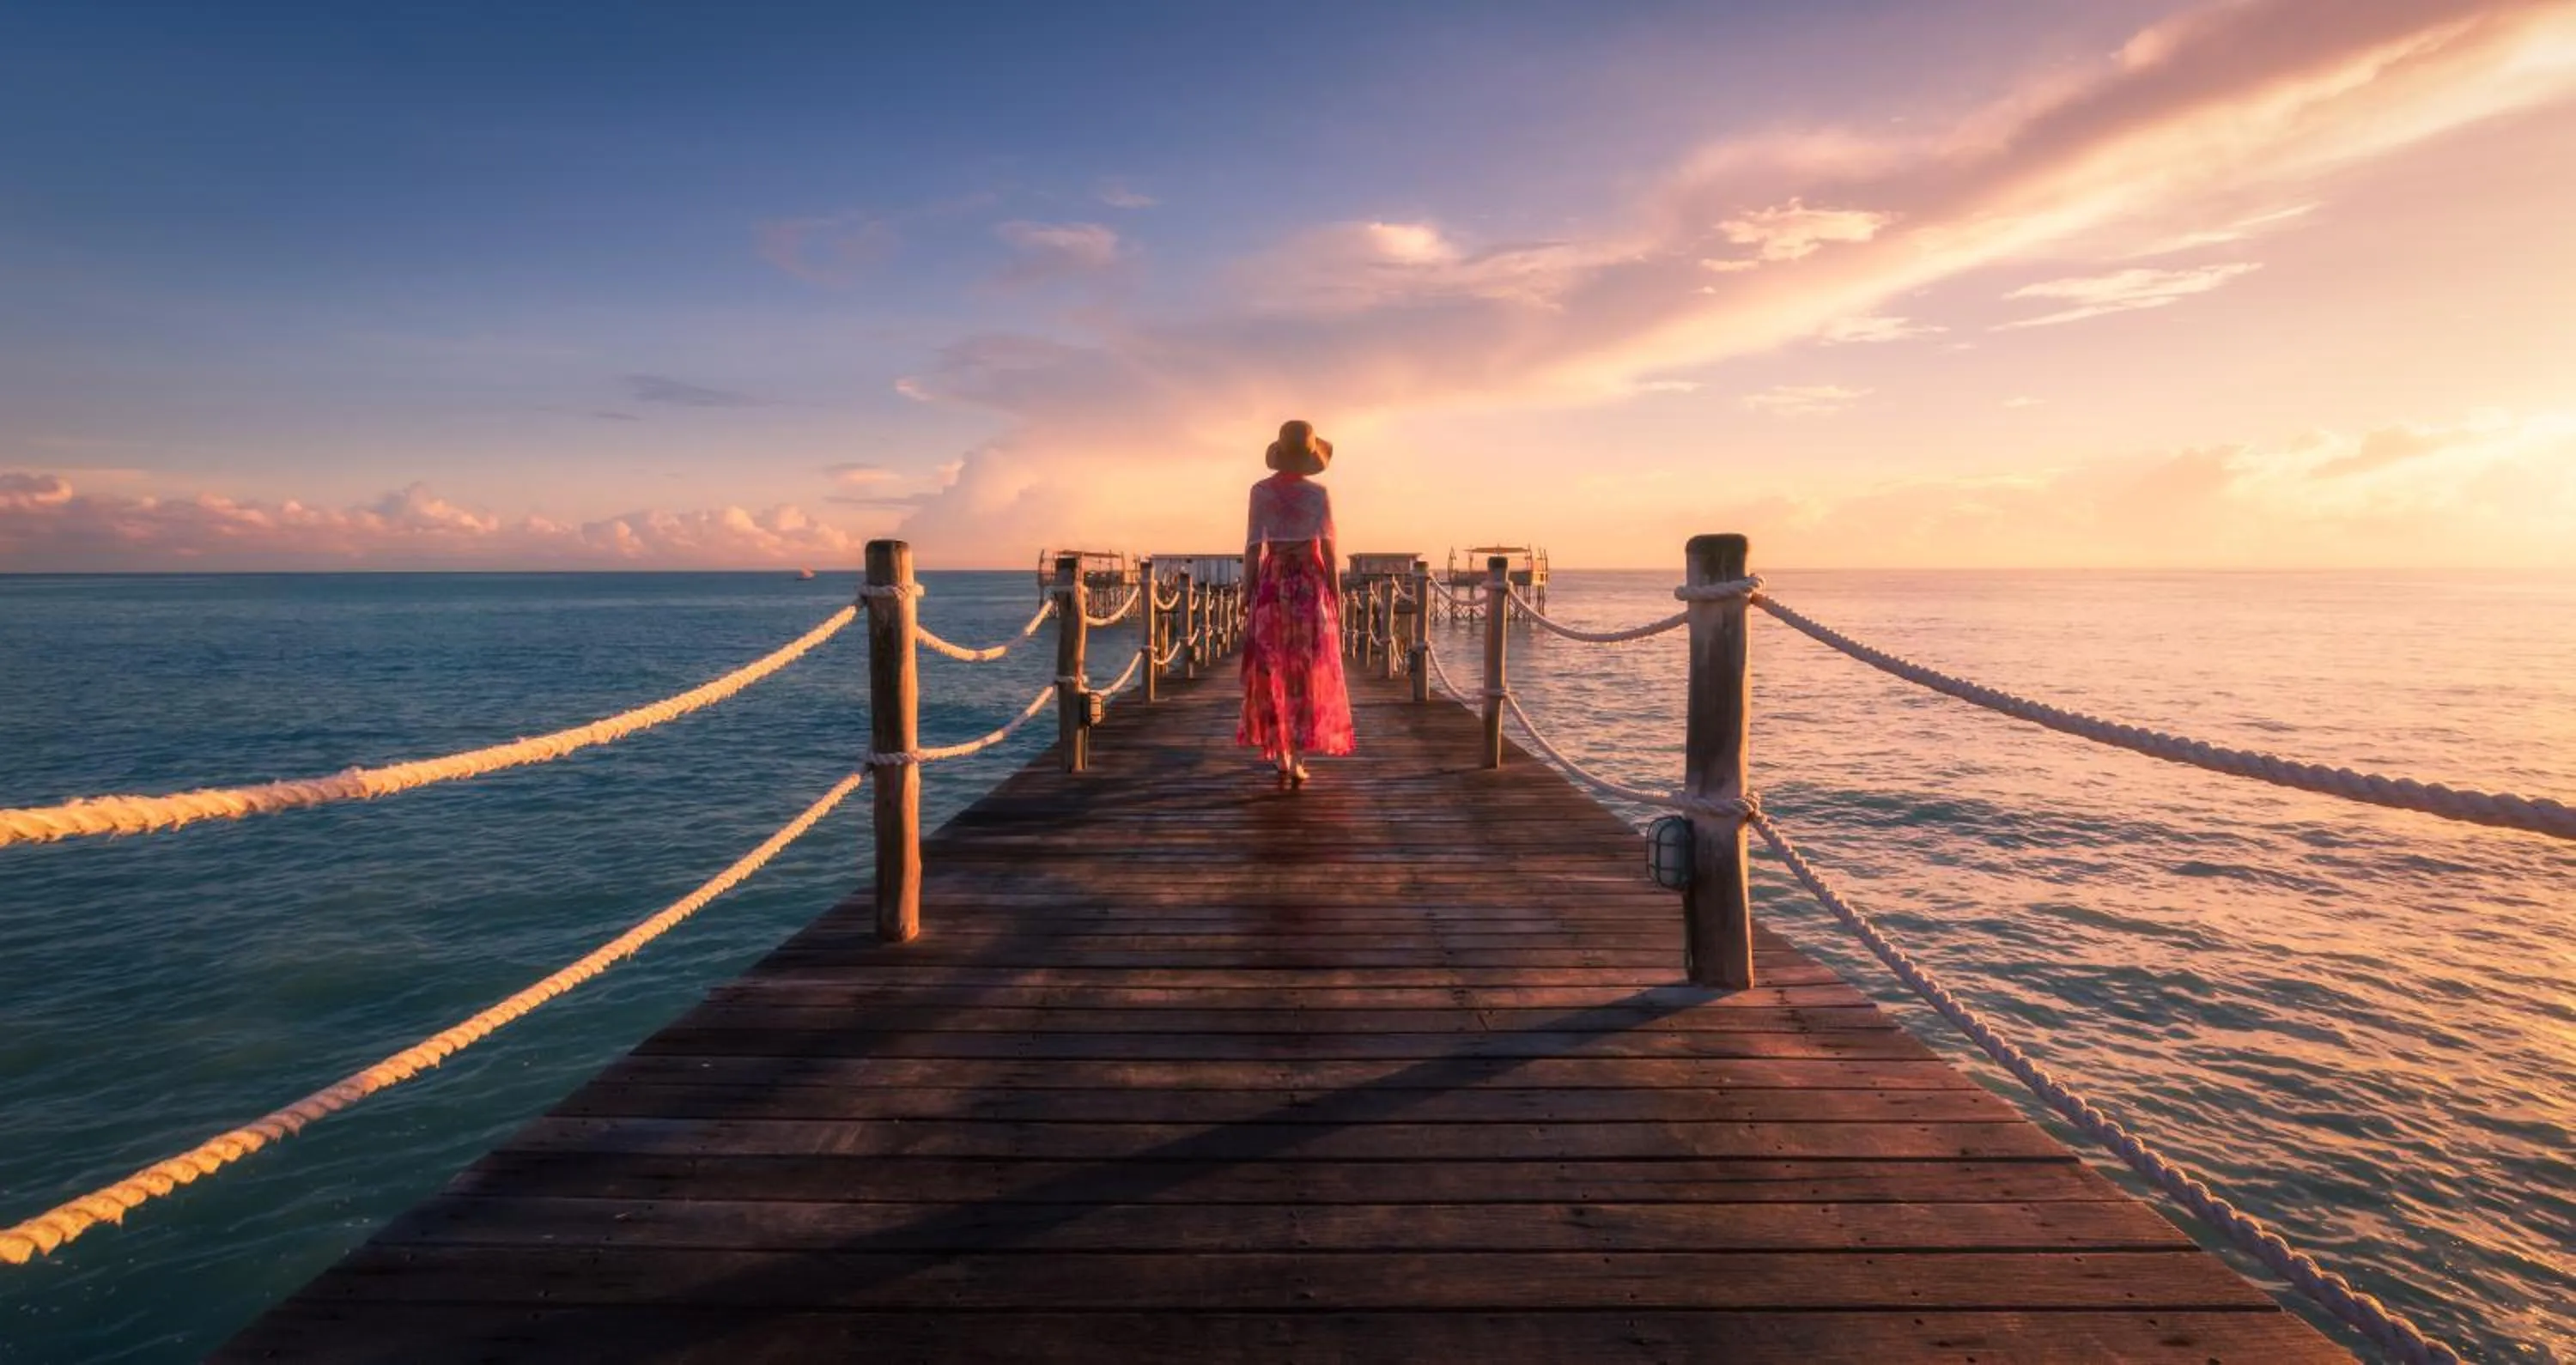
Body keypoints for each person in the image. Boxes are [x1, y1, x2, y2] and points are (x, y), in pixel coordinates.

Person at [1238, 419, 1356, 789]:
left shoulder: (1260, 492)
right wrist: (1336, 595)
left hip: (1272, 586)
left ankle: (1281, 754)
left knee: (1271, 669)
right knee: (1306, 672)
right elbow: (1330, 553)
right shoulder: (1318, 495)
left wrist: (1246, 593)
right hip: (1309, 587)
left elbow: (1253, 548)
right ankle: (1299, 758)